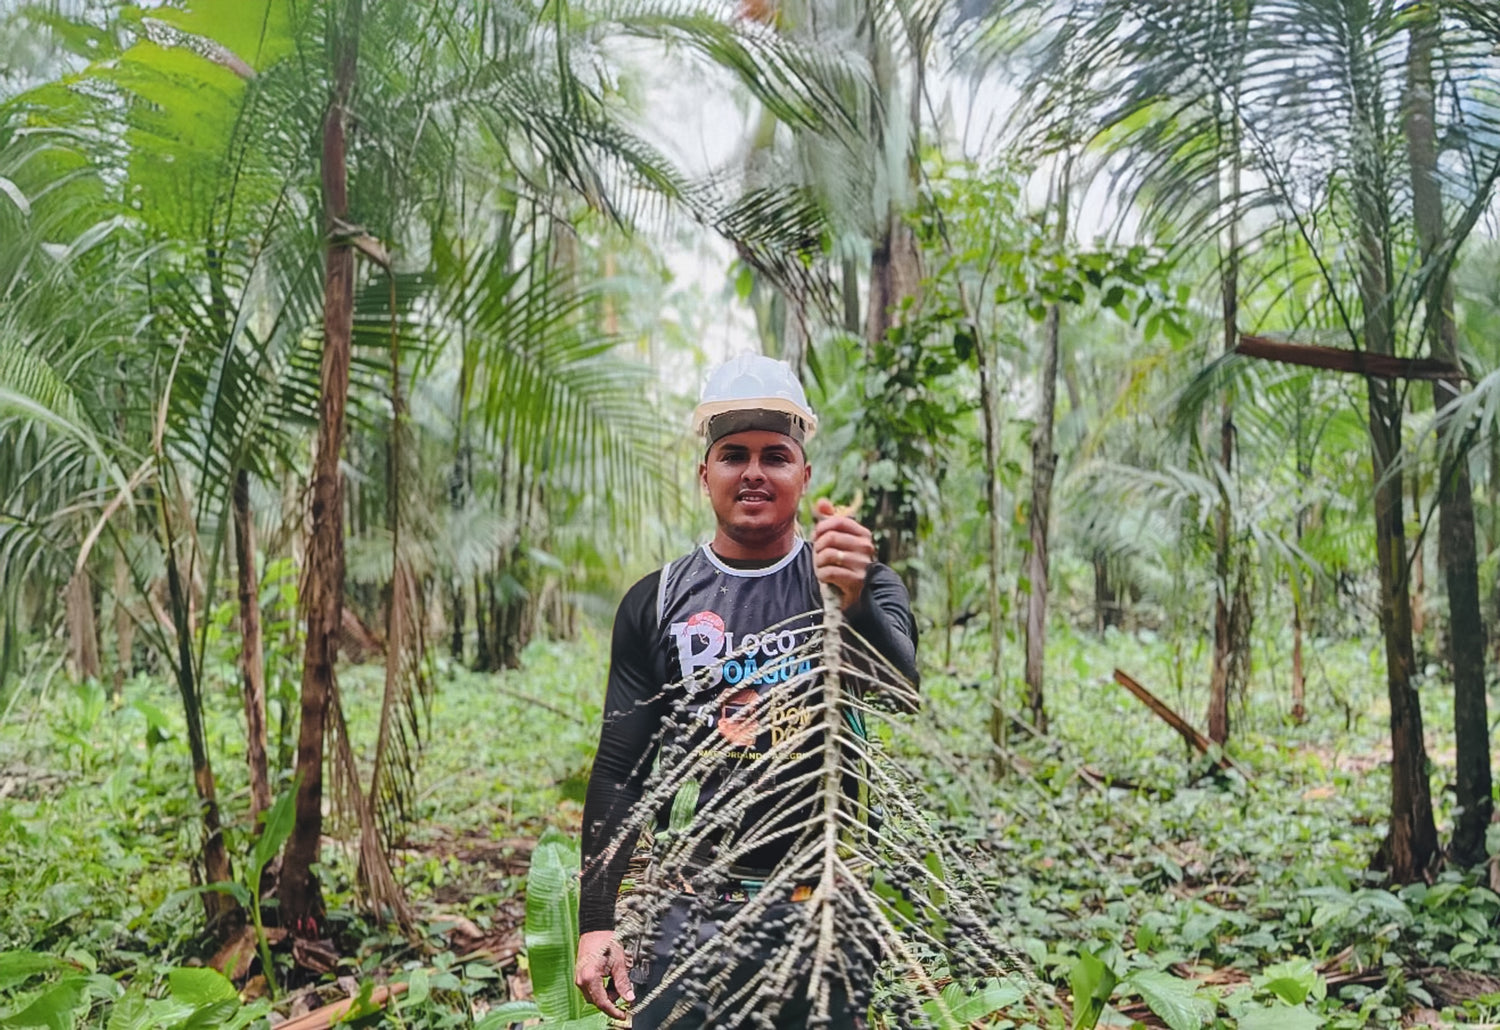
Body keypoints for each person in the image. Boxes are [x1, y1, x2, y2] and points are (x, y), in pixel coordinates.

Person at [574, 355, 919, 1029]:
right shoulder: (657, 601)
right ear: (706, 475)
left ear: (804, 475)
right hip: (687, 905)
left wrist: (851, 602)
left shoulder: (862, 582)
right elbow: (621, 770)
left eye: (775, 455)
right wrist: (595, 921)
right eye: (733, 455)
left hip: (823, 904)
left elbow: (899, 694)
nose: (754, 472)